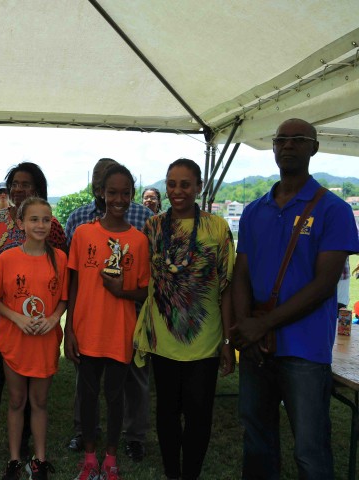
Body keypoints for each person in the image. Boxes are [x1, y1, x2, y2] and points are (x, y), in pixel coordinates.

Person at [230, 118, 359, 479]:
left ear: (313, 148)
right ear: (273, 147)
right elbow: (241, 273)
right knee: (257, 438)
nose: (287, 145)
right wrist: (245, 327)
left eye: (298, 139)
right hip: (258, 346)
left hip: (305, 349)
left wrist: (260, 326)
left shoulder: (333, 209)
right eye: (281, 139)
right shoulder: (255, 210)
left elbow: (324, 284)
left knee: (309, 449)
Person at [133, 158, 235, 480]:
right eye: (172, 184)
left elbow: (226, 288)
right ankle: (172, 474)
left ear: (199, 187)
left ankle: (190, 474)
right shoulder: (153, 227)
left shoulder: (217, 228)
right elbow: (143, 279)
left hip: (205, 342)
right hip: (164, 340)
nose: (177, 191)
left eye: (185, 184)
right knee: (166, 413)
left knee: (199, 416)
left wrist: (227, 341)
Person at [0, 162, 66, 462]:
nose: (18, 189)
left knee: (29, 385)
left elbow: (60, 276)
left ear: (37, 188)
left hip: (37, 323)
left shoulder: (52, 226)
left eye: (25, 184)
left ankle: (24, 442)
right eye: (14, 183)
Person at [64, 158, 153, 462]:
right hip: (87, 331)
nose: (119, 199)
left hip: (120, 332)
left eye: (125, 193)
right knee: (87, 395)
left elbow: (145, 289)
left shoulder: (139, 241)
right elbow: (74, 284)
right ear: (101, 192)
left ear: (132, 194)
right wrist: (69, 329)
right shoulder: (83, 234)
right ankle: (90, 457)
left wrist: (121, 291)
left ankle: (111, 458)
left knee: (115, 396)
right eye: (112, 192)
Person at [0, 197, 68, 480]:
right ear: (21, 224)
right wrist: (18, 318)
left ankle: (39, 459)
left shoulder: (60, 258)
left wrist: (53, 318)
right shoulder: (7, 258)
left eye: (46, 220)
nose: (40, 225)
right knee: (16, 400)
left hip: (44, 341)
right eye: (34, 219)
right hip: (15, 340)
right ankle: (14, 459)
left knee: (39, 401)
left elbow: (63, 299)